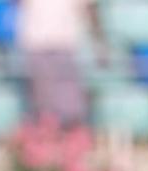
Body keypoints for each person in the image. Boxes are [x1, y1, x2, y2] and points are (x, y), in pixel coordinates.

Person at [17, 0, 99, 128]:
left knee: (67, 98)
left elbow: (89, 8)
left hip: (64, 44)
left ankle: (67, 132)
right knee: (42, 97)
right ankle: (46, 131)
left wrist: (98, 41)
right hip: (37, 43)